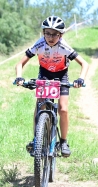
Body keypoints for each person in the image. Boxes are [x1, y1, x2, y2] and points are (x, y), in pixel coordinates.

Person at [14, 16, 89, 157]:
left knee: (63, 109)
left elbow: (85, 64)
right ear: (43, 33)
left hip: (61, 76)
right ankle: (37, 139)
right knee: (39, 106)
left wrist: (80, 79)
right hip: (44, 74)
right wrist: (19, 77)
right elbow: (19, 63)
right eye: (48, 33)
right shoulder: (39, 44)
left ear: (61, 35)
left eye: (55, 34)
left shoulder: (64, 47)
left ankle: (64, 141)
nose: (51, 37)